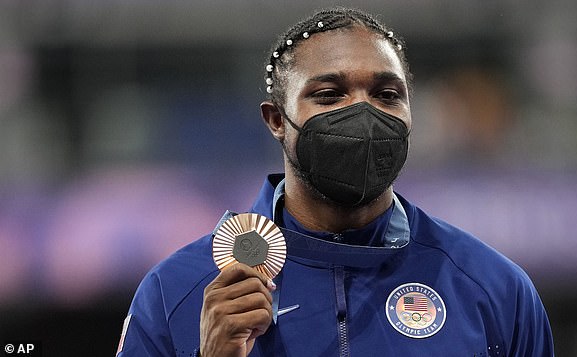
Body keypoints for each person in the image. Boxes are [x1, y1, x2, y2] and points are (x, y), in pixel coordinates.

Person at [116, 7, 554, 357]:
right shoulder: (177, 291)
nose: (363, 114)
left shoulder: (494, 289)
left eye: (386, 95)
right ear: (275, 120)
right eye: (329, 95)